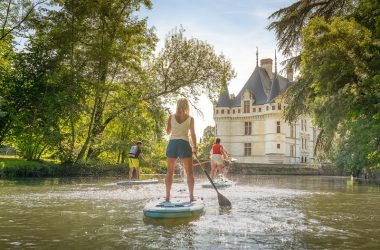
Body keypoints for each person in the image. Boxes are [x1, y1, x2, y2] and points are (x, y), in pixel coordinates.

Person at [165, 98, 197, 202]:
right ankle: (191, 197)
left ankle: (167, 197)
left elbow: (168, 132)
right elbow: (193, 134)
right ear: (187, 106)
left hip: (173, 144)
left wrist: (170, 121)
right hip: (184, 144)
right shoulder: (190, 119)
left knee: (169, 172)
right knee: (189, 173)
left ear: (177, 105)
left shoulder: (171, 117)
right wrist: (195, 147)